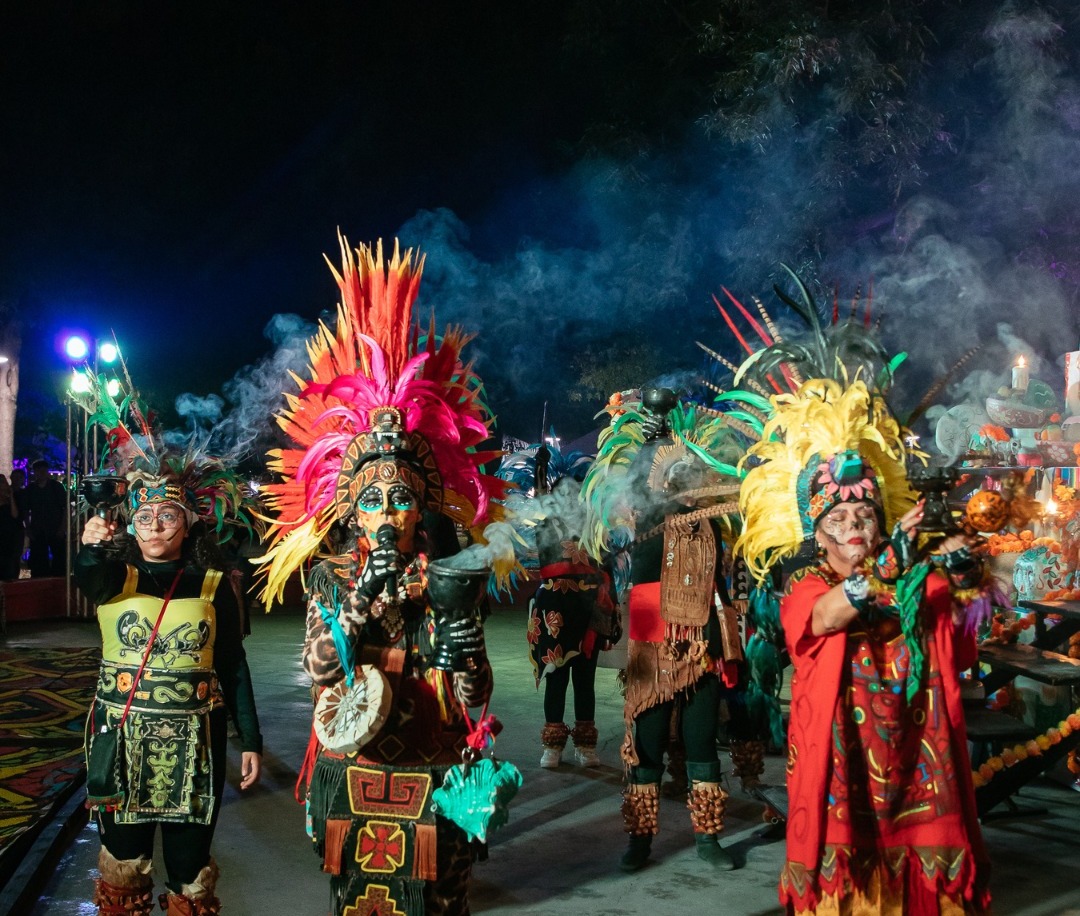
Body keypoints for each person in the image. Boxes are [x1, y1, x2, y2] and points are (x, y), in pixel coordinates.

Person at [257, 237, 512, 916]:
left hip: (434, 752)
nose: (390, 513)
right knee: (361, 895)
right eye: (373, 499)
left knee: (439, 897)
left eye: (402, 498)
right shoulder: (331, 576)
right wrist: (365, 596)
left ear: (422, 504)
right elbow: (319, 670)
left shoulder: (449, 572)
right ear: (351, 510)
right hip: (358, 758)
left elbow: (476, 689)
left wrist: (461, 644)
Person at [735, 377, 992, 914]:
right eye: (839, 519)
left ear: (882, 522)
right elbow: (826, 617)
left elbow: (963, 636)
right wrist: (888, 567)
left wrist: (968, 576)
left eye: (865, 516)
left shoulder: (910, 573)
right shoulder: (807, 585)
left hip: (917, 757)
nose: (854, 527)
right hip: (844, 760)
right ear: (818, 534)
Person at [74, 445, 263, 913]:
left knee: (189, 865)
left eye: (168, 515)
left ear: (191, 521)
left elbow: (232, 664)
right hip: (121, 742)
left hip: (197, 743)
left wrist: (252, 739)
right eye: (144, 516)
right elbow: (88, 574)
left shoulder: (215, 584)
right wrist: (91, 544)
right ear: (130, 522)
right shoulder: (114, 578)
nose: (154, 526)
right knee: (122, 861)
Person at [581, 388, 749, 873]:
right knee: (648, 734)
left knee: (700, 738)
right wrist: (650, 449)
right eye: (669, 470)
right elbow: (628, 491)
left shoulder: (712, 514)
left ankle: (708, 837)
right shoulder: (644, 512)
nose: (681, 478)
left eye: (690, 470)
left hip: (704, 633)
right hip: (654, 625)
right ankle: (639, 839)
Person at [499, 443, 620, 768]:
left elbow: (608, 568)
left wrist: (611, 608)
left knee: (584, 680)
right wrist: (541, 466)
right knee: (555, 675)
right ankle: (552, 746)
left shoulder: (596, 525)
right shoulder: (546, 519)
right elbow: (539, 494)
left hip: (589, 607)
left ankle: (586, 747)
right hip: (553, 608)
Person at [25, 458, 67, 577]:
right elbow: (25, 510)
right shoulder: (31, 489)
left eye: (43, 470)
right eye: (38, 471)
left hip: (55, 527)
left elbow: (65, 508)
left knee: (59, 560)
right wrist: (28, 529)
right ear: (35, 472)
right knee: (38, 561)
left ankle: (59, 583)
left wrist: (62, 528)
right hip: (38, 529)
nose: (41, 473)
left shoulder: (56, 487)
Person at [0, 474, 22, 580]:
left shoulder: (11, 498)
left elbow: (15, 514)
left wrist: (11, 496)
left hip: (10, 534)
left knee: (10, 562)